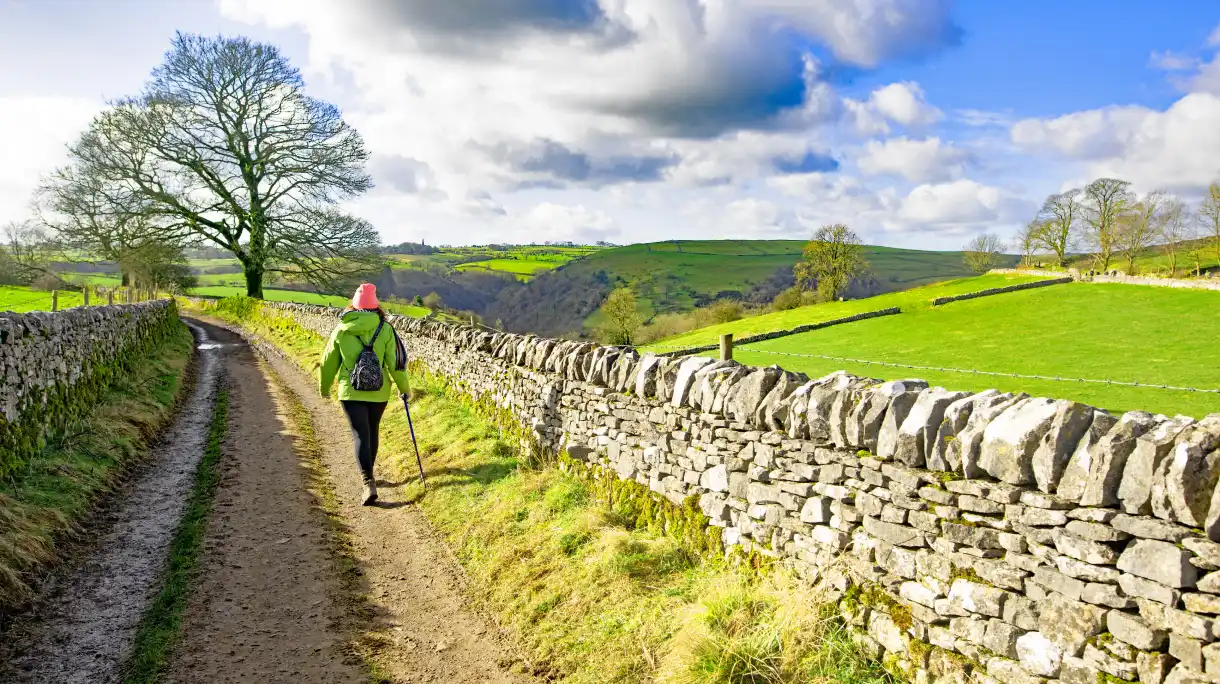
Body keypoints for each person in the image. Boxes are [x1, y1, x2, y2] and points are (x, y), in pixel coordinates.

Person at [320, 283, 411, 505]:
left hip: (350, 391)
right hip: (379, 391)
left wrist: (324, 387)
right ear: (375, 305)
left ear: (354, 304)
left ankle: (367, 481)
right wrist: (404, 388)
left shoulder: (341, 329)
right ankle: (370, 476)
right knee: (372, 431)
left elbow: (328, 362)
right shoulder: (386, 329)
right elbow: (395, 364)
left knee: (360, 434)